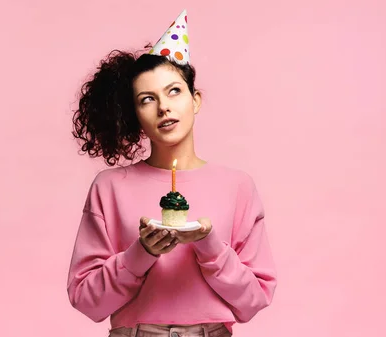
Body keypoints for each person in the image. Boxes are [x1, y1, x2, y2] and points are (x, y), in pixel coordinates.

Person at [67, 9, 277, 337]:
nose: (163, 106)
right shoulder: (109, 188)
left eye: (174, 91)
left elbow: (255, 299)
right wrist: (141, 253)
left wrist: (210, 246)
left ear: (195, 100)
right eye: (147, 99)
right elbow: (85, 300)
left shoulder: (238, 187)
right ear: (135, 115)